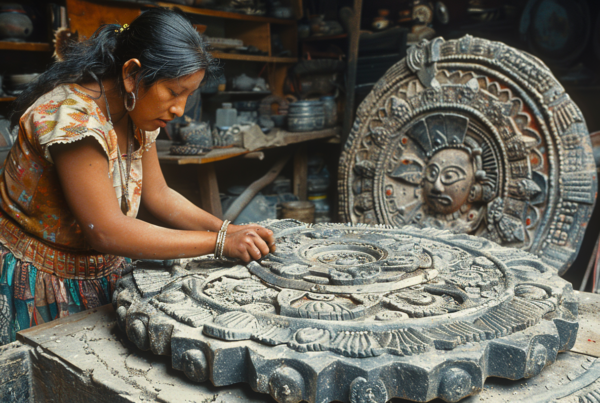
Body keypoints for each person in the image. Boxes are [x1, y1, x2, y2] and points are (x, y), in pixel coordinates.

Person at [0, 8, 275, 345]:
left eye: (188, 95)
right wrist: (220, 244)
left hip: (98, 270)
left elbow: (159, 196)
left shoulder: (135, 114)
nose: (179, 109)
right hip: (43, 280)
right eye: (174, 92)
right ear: (132, 74)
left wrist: (228, 229)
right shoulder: (73, 121)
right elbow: (105, 230)